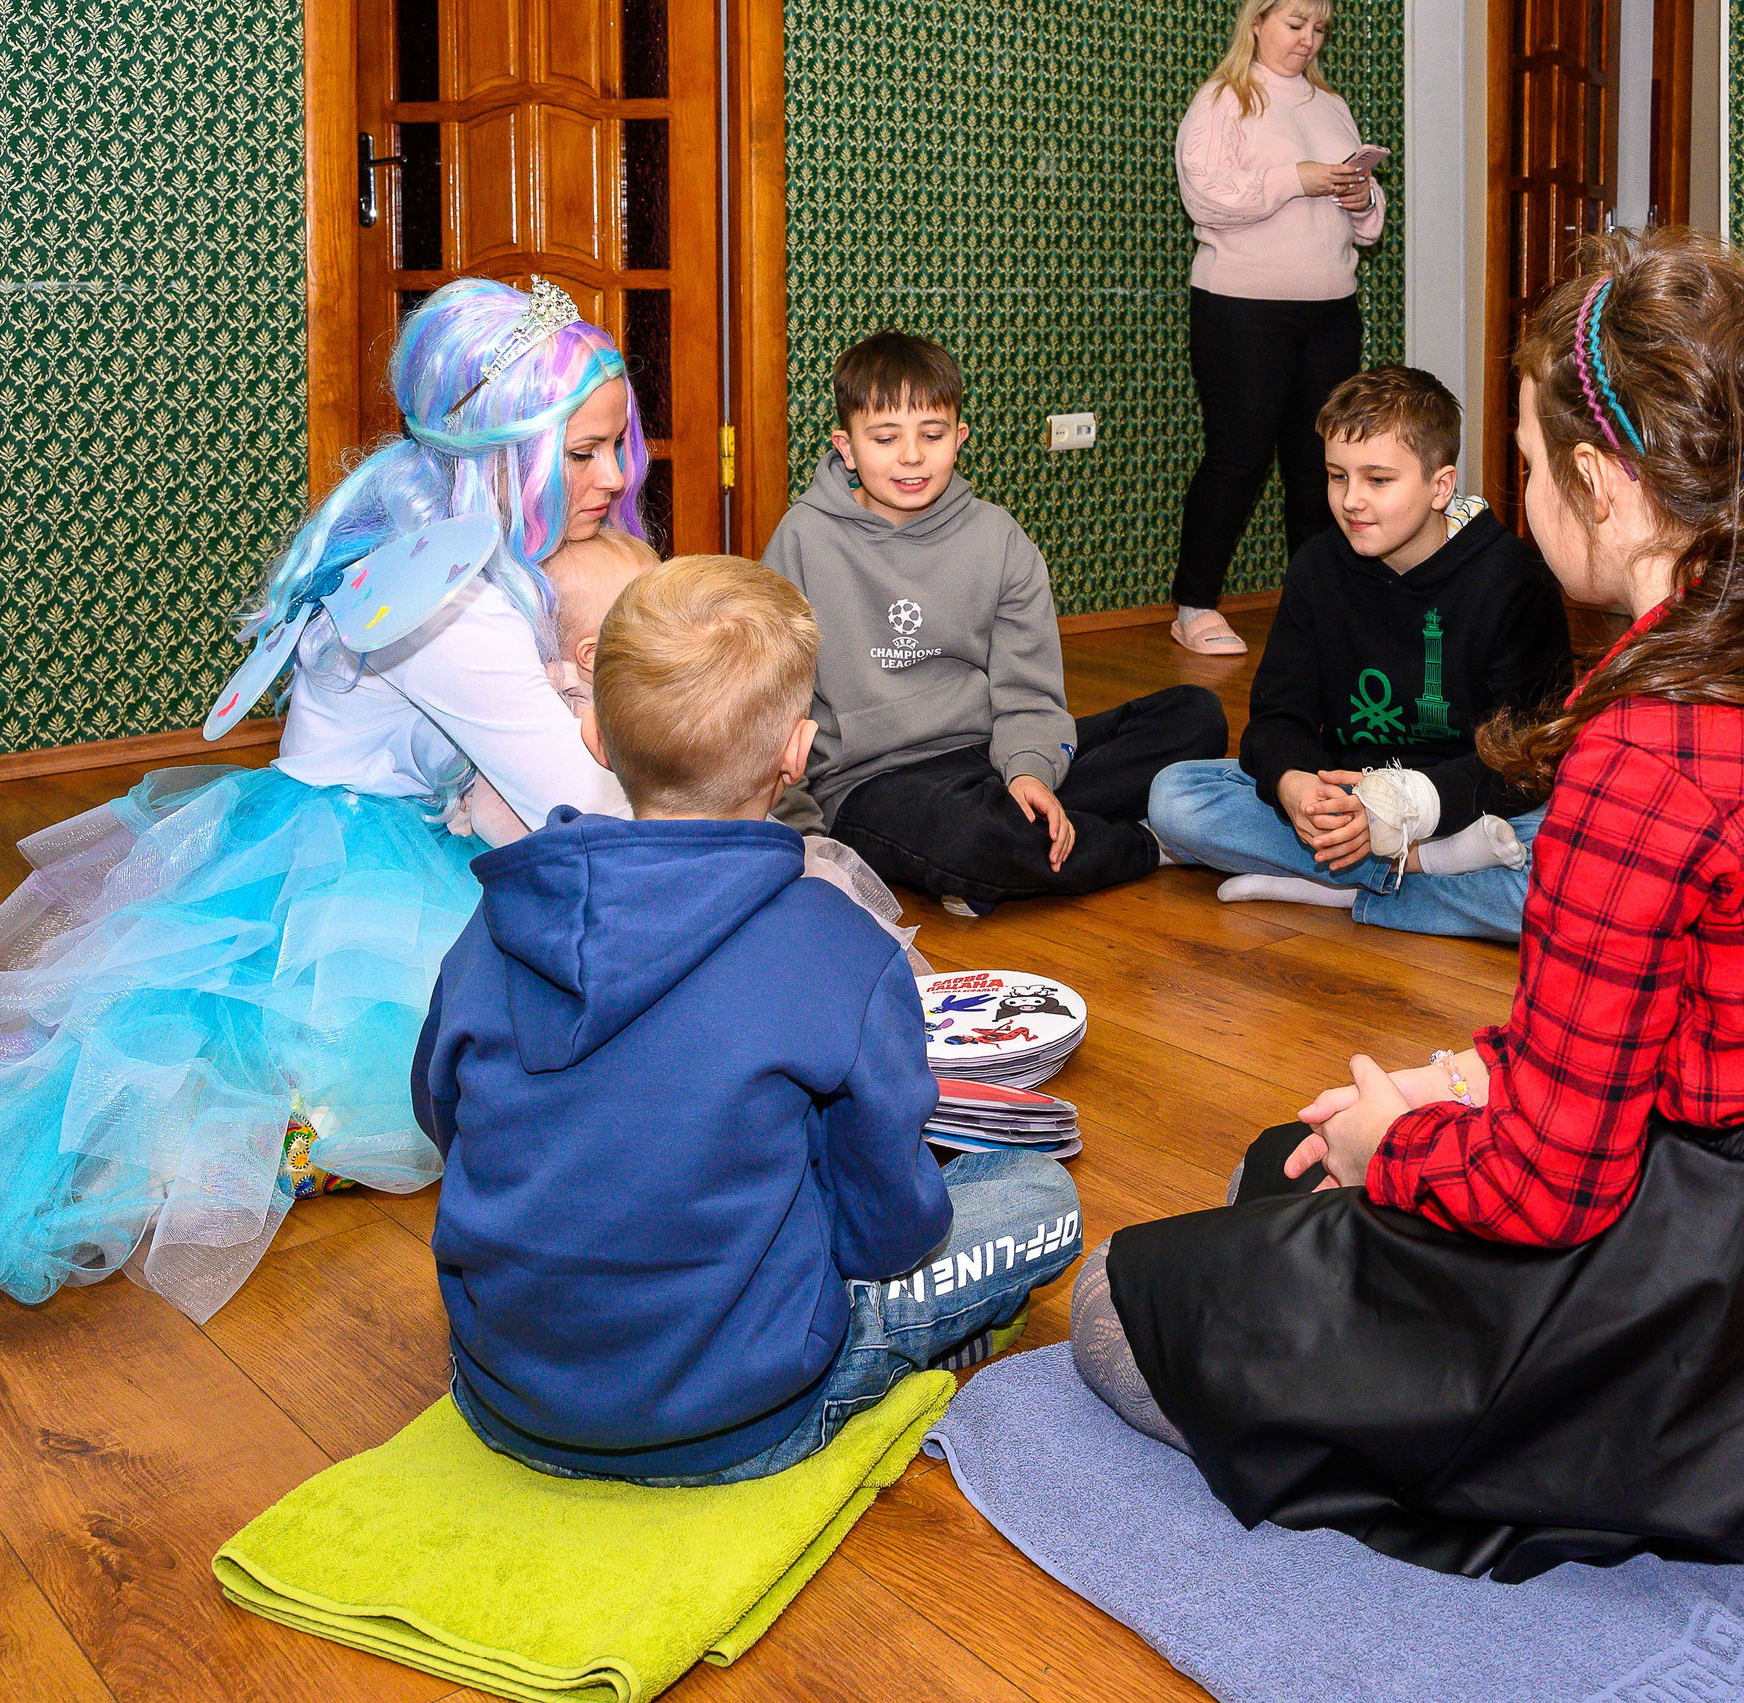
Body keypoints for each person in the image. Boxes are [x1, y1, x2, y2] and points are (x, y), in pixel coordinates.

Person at [1068, 230, 1744, 1592]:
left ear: (1607, 488)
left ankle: (1705, 1464)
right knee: (1281, 1161)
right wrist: (1465, 1077)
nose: (1526, 491)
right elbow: (1724, 1020)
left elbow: (1556, 1185)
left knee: (1125, 1304)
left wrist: (1407, 1145)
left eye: (1535, 466)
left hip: (1696, 1268)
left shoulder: (1645, 740)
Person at [0, 276, 635, 1323]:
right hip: (357, 872)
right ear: (493, 453)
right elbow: (590, 812)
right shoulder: (453, 606)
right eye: (581, 452)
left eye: (618, 444)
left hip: (311, 834)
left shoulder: (410, 521)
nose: (613, 475)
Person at [418, 555, 1082, 1485]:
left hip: (509, 1397)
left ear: (593, 731)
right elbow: (886, 1227)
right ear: (797, 751)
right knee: (1037, 1196)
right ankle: (901, 1357)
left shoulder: (493, 922)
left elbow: (441, 1116)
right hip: (746, 1414)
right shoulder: (836, 944)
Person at [760, 331, 1229, 915]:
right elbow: (769, 702)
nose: (911, 455)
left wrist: (1028, 771)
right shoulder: (802, 539)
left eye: (931, 435)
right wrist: (808, 838)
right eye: (885, 438)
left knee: (1195, 716)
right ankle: (1153, 842)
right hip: (871, 784)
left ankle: (1015, 843)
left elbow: (1028, 692)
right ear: (847, 447)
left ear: (958, 439)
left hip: (989, 755)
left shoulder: (998, 537)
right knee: (971, 837)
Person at [1148, 365, 1571, 940]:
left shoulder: (1514, 582)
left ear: (1440, 487)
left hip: (1465, 807)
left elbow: (1527, 762)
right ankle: (1405, 880)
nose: (1351, 501)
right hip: (1347, 805)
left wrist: (1404, 816)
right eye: (1336, 476)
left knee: (1569, 874)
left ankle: (1346, 887)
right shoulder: (1317, 569)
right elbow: (1277, 717)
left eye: (1377, 480)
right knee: (1175, 796)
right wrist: (1296, 785)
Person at [1168, 0, 1387, 655]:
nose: (1308, 39)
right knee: (1237, 457)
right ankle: (1194, 605)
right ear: (1257, 21)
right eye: (1296, 24)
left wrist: (1360, 196)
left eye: (1319, 29)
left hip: (1330, 309)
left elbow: (1370, 226)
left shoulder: (1330, 105)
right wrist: (1299, 178)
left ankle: (1317, 603)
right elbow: (1205, 196)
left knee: (1319, 464)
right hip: (1240, 310)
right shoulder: (1223, 100)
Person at [452, 526, 658, 846]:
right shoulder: (560, 704)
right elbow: (490, 815)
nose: (676, 633)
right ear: (591, 655)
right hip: (558, 869)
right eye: (660, 624)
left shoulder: (643, 697)